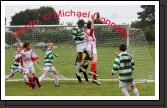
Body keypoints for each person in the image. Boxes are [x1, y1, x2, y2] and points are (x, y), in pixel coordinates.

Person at [84, 14, 101, 85]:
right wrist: (93, 19)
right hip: (91, 46)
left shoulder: (85, 32)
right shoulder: (89, 31)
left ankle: (94, 79)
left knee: (94, 63)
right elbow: (92, 29)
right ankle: (91, 71)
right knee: (95, 60)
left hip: (89, 47)